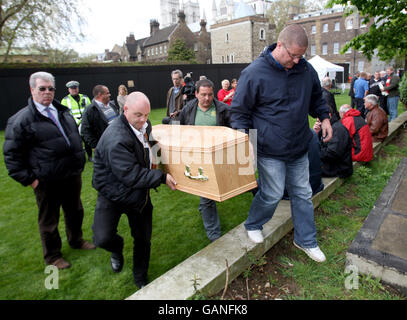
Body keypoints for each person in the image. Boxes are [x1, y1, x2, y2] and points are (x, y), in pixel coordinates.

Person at [230, 24, 332, 263]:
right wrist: (246, 141)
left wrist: (325, 117)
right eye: (293, 55)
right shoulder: (254, 73)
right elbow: (239, 112)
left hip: (299, 145)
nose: (297, 61)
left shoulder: (305, 71)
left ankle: (306, 240)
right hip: (269, 148)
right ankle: (254, 223)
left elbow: (316, 98)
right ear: (279, 45)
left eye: (301, 56)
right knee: (272, 193)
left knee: (303, 194)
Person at [3, 71, 95, 270]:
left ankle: (76, 240)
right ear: (32, 90)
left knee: (75, 211)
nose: (47, 92)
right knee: (48, 220)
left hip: (71, 175)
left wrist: (78, 165)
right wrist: (31, 180)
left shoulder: (62, 111)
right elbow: (12, 157)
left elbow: (72, 139)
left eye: (50, 88)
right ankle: (53, 256)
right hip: (46, 181)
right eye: (42, 89)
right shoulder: (20, 120)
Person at [92, 92, 177, 288]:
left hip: (138, 195)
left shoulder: (144, 125)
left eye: (146, 115)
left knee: (142, 238)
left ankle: (140, 276)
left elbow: (152, 144)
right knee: (102, 237)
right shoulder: (116, 138)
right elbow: (130, 174)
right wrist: (162, 177)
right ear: (125, 109)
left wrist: (164, 163)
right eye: (139, 115)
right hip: (112, 193)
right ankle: (117, 247)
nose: (144, 120)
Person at [179, 79, 231, 242]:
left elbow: (233, 130)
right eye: (203, 95)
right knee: (207, 193)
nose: (207, 98)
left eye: (210, 95)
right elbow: (181, 132)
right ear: (196, 94)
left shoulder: (223, 109)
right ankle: (214, 233)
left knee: (221, 189)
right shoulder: (187, 110)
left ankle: (205, 208)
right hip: (198, 158)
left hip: (220, 156)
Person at [61, 80, 93, 161]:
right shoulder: (65, 100)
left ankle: (90, 156)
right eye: (72, 88)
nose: (74, 90)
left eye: (75, 88)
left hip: (85, 123)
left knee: (87, 141)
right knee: (76, 142)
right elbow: (65, 114)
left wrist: (84, 121)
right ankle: (79, 158)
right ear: (69, 90)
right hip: (72, 124)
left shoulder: (85, 97)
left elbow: (89, 110)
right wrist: (76, 122)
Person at [80, 85, 119, 150]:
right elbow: (85, 130)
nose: (110, 95)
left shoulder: (112, 105)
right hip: (105, 147)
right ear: (100, 95)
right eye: (107, 93)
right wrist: (96, 146)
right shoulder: (90, 110)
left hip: (118, 142)